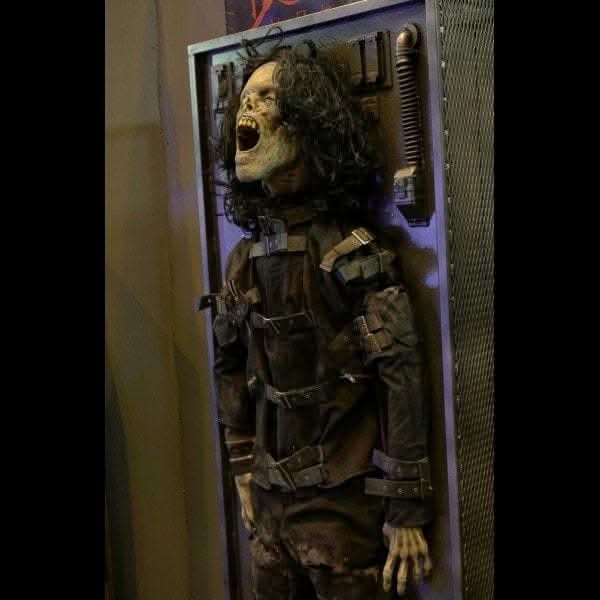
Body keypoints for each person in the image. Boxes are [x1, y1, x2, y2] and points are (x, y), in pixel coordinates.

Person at [199, 39, 433, 599]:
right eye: (245, 98)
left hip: (340, 517)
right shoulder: (244, 261)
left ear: (308, 124)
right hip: (271, 515)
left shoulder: (350, 257)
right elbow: (229, 361)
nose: (249, 107)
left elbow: (400, 377)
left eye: (267, 97)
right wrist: (242, 466)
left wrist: (405, 508)